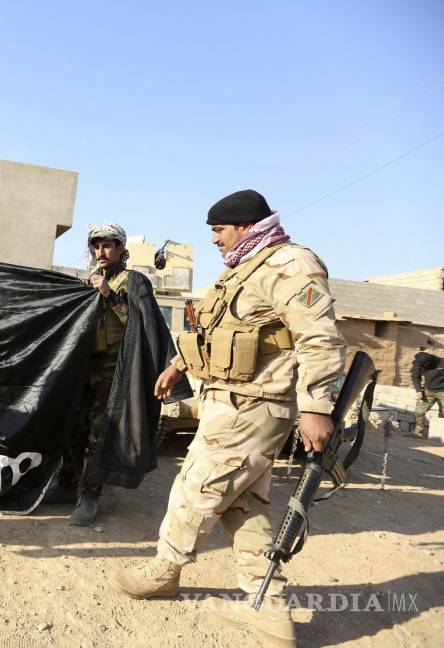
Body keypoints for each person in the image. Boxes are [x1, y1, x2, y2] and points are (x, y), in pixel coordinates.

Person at [114, 189, 345, 647]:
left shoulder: (290, 265)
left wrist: (317, 407)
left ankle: (166, 569)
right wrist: (178, 365)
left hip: (253, 407)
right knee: (244, 504)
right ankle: (269, 609)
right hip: (232, 401)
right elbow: (212, 331)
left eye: (219, 230)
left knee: (195, 488)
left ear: (243, 225)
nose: (215, 239)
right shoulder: (245, 267)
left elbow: (320, 339)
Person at [46, 224, 187, 526]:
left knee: (99, 434)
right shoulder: (93, 280)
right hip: (86, 368)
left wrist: (108, 294)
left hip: (115, 373)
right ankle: (66, 484)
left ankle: (90, 494)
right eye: (96, 246)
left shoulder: (133, 281)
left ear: (122, 249)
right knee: (75, 426)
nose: (101, 252)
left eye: (108, 246)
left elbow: (136, 323)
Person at [412, 349, 444, 438]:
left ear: (429, 362)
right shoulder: (418, 363)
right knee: (419, 411)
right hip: (428, 391)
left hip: (443, 391)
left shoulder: (441, 362)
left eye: (424, 365)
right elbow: (415, 377)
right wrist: (418, 390)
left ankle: (440, 435)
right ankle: (417, 433)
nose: (422, 367)